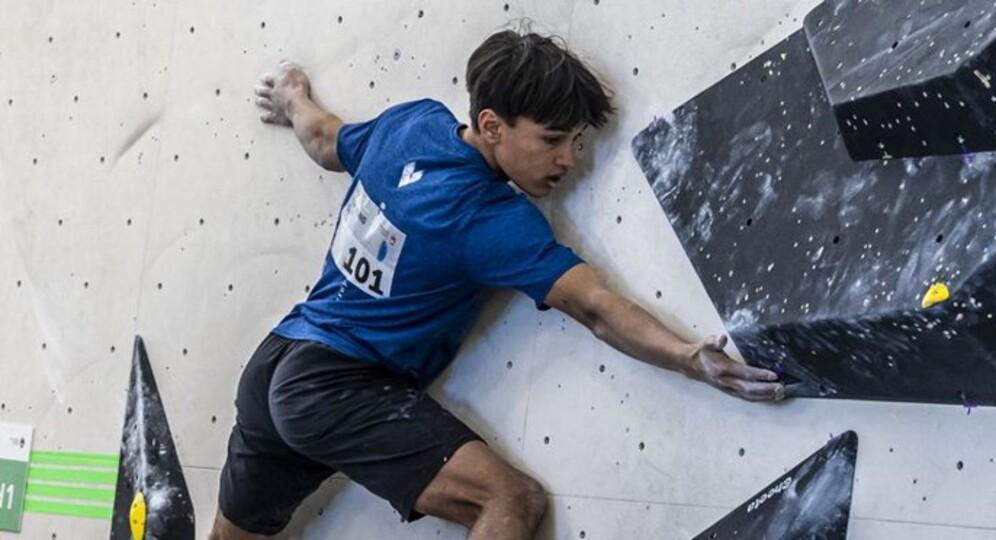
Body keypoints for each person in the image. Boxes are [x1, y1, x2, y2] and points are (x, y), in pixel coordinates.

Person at [210, 29, 785, 540]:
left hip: (274, 365)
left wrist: (293, 98)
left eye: (577, 143)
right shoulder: (490, 218)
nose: (568, 160)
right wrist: (690, 359)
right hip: (334, 384)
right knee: (511, 501)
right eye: (551, 140)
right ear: (491, 125)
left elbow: (323, 140)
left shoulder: (412, 125)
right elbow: (595, 307)